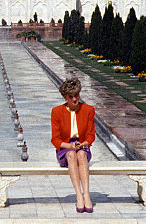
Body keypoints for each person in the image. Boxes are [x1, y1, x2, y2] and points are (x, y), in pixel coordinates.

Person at [51, 77, 95, 213]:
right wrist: (70, 146)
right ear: (65, 97)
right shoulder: (56, 112)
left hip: (82, 145)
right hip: (65, 147)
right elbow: (55, 139)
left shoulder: (88, 110)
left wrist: (83, 144)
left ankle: (86, 194)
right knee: (71, 155)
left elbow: (91, 136)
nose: (75, 99)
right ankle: (78, 195)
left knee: (81, 155)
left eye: (76, 95)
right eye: (71, 97)